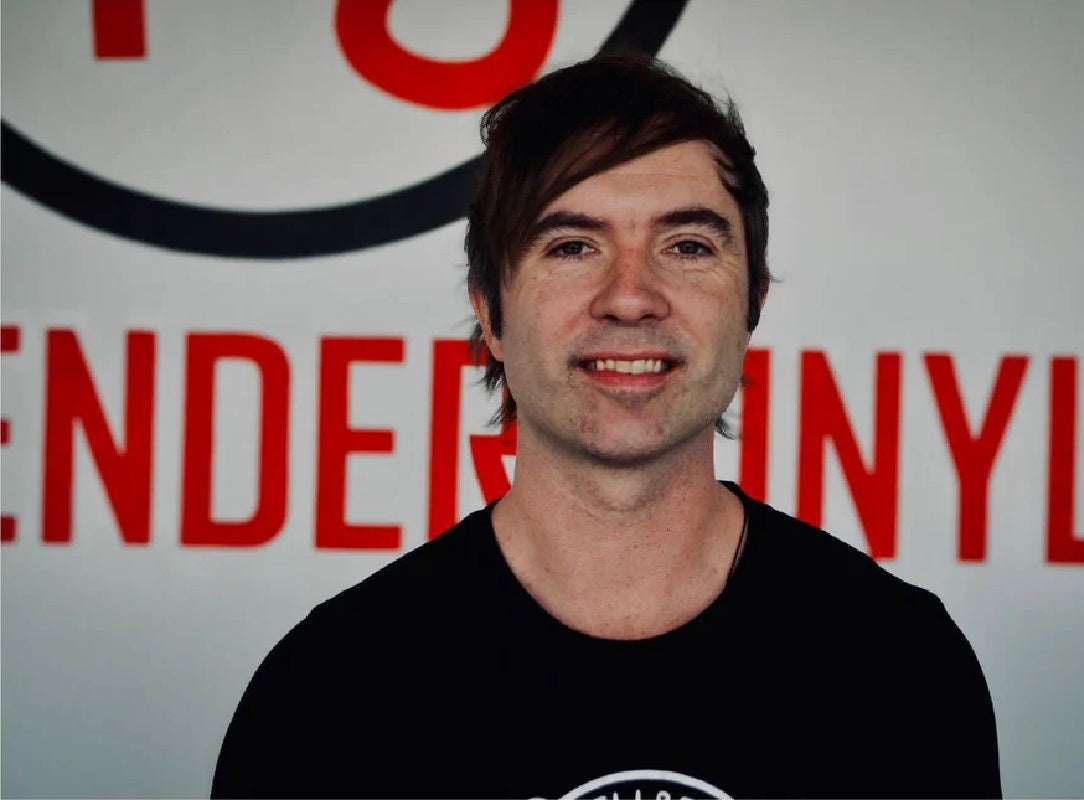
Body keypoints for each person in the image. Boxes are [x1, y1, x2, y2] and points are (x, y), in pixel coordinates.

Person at [211, 53, 1001, 799]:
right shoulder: (330, 691)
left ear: (753, 300)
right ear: (490, 314)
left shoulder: (902, 668)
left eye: (687, 245)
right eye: (573, 245)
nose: (631, 296)